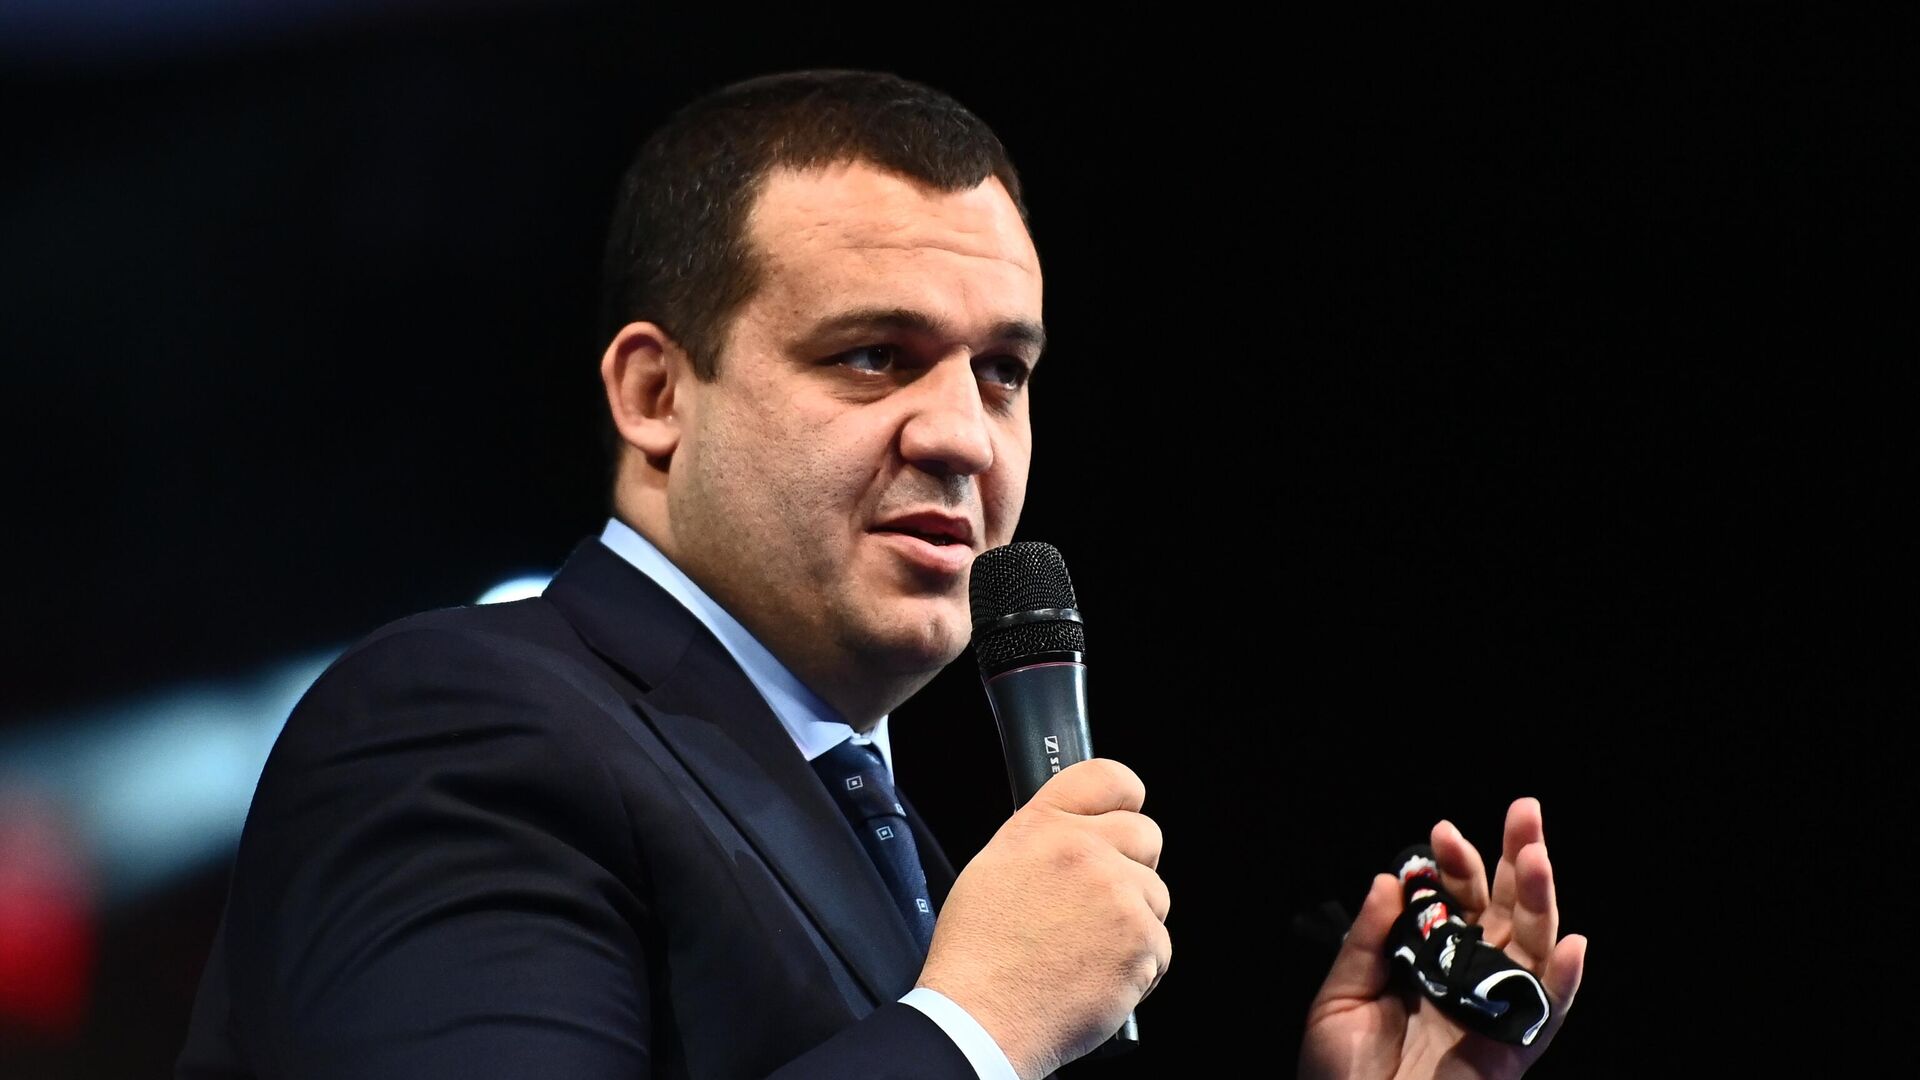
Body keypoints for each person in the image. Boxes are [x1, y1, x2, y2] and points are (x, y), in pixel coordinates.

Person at [176, 70, 1582, 1080]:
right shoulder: (459, 724)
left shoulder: (913, 857)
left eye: (1004, 372)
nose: (964, 436)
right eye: (873, 356)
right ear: (657, 394)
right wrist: (973, 1030)